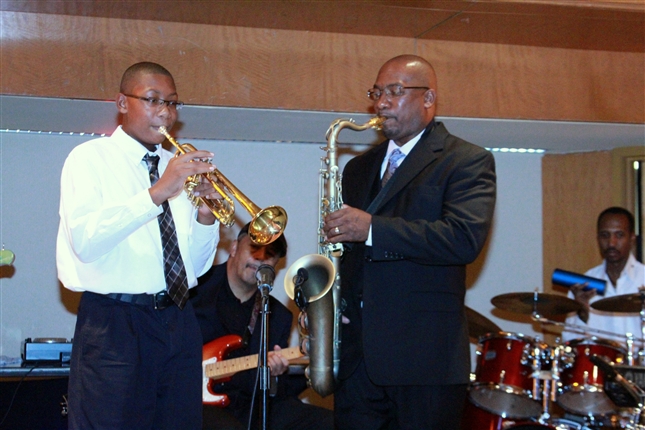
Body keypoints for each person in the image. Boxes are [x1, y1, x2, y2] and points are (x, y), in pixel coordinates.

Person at [322, 54, 496, 429]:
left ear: (428, 98)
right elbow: (349, 255)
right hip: (358, 362)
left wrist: (373, 229)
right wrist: (328, 307)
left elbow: (463, 238)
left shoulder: (467, 160)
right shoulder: (358, 168)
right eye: (377, 92)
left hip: (425, 363)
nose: (381, 103)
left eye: (395, 91)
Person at [57, 61, 221, 429]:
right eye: (152, 100)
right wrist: (158, 192)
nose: (165, 112)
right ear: (122, 103)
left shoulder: (175, 166)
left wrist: (206, 217)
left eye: (172, 102)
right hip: (115, 322)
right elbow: (85, 242)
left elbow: (194, 269)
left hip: (178, 318)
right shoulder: (89, 159)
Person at [191, 222, 334, 430]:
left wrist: (274, 377)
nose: (260, 258)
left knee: (331, 423)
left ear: (276, 265)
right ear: (234, 248)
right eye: (254, 247)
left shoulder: (279, 317)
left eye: (270, 254)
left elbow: (280, 392)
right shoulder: (196, 289)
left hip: (251, 406)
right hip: (196, 403)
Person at [564, 207, 644, 343]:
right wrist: (582, 313)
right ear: (598, 238)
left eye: (619, 235)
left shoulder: (642, 277)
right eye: (605, 235)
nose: (611, 243)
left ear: (632, 239)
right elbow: (570, 342)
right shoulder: (585, 284)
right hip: (597, 357)